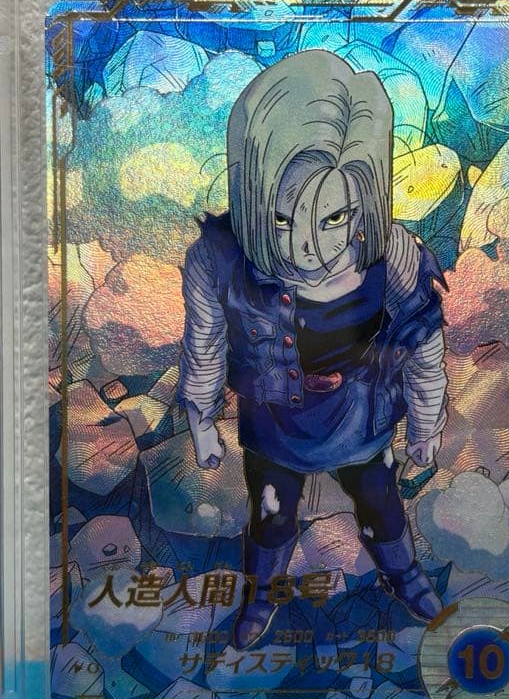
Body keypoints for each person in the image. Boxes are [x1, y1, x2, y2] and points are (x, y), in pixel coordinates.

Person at [176, 49, 448, 649]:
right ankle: (261, 596)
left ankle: (405, 576)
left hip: (363, 418)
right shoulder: (218, 258)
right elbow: (205, 344)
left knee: (380, 501)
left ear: (363, 201)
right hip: (273, 423)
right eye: (282, 220)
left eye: (332, 218)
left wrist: (426, 423)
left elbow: (424, 343)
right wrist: (201, 420)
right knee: (272, 513)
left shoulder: (395, 255)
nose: (308, 247)